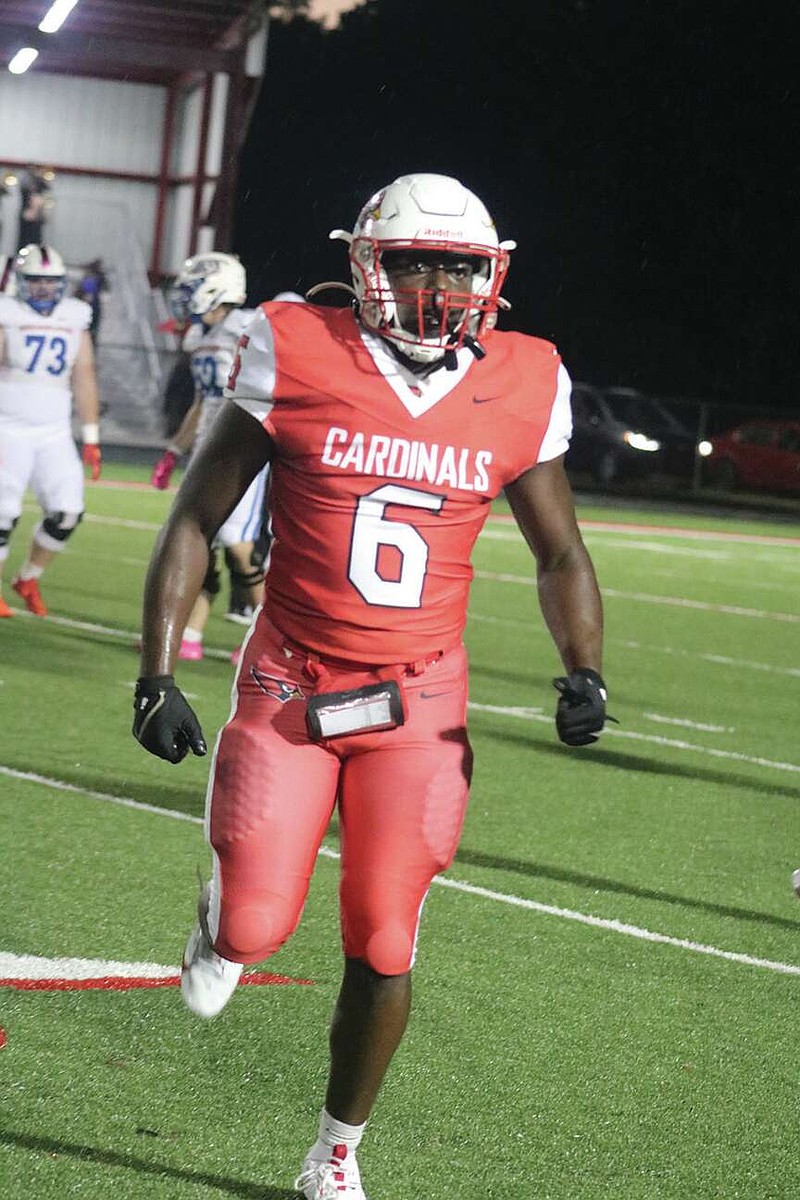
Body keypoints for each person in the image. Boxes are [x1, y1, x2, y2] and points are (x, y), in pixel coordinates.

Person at [132, 173, 610, 1199]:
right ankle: (223, 916)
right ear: (364, 266)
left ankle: (334, 1151)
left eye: (457, 266)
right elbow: (193, 519)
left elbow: (559, 551)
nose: (436, 285)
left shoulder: (522, 379)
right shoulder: (297, 346)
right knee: (256, 928)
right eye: (412, 262)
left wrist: (583, 671)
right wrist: (155, 674)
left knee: (386, 933)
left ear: (490, 277)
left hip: (421, 700)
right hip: (290, 681)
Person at [149, 251, 267, 659]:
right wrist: (173, 451)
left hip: (244, 449)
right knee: (200, 539)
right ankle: (191, 636)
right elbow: (202, 403)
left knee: (238, 544)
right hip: (208, 448)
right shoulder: (198, 337)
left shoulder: (247, 326)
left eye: (192, 288)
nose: (184, 298)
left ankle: (268, 637)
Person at [0, 243, 101, 619]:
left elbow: (84, 375)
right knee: (2, 513)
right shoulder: (7, 315)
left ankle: (28, 577)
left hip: (54, 431)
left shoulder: (73, 318)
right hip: (7, 427)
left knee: (68, 511)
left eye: (51, 281)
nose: (44, 288)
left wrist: (90, 436)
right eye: (36, 280)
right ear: (20, 283)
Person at [17, 166, 52, 250]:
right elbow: (24, 187)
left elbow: (47, 189)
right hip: (27, 217)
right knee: (24, 240)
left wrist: (40, 178)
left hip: (36, 219)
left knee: (36, 241)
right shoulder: (26, 184)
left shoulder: (40, 188)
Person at [75, 258, 106, 346]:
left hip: (90, 310)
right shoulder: (93, 279)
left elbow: (88, 296)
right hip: (91, 309)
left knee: (90, 333)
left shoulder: (93, 279)